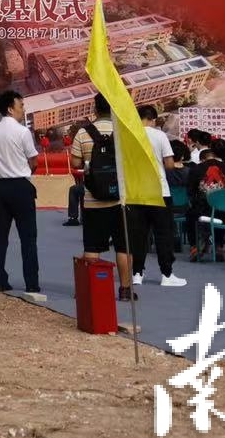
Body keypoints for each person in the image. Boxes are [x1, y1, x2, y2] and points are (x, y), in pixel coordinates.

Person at [69, 97, 136, 302]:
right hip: (120, 199)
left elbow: (75, 162)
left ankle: (92, 289)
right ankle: (125, 290)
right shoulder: (124, 130)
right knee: (124, 247)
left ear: (95, 109)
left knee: (92, 247)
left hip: (92, 200)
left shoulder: (83, 132)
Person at [0, 90, 41, 297]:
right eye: (21, 105)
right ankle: (32, 283)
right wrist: (26, 171)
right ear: (10, 108)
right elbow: (33, 160)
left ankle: (0, 281)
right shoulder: (22, 131)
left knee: (0, 236)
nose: (23, 109)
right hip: (20, 186)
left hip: (0, 187)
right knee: (28, 237)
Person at [130, 104, 186, 287]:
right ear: (153, 119)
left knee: (139, 235)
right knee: (163, 234)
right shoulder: (160, 135)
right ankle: (166, 274)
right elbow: (169, 164)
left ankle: (137, 273)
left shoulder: (130, 135)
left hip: (137, 191)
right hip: (159, 191)